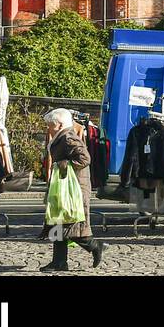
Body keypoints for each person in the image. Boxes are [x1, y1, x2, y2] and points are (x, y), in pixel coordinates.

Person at [39, 109, 105, 272]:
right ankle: (59, 262)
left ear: (60, 124)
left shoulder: (68, 137)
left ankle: (96, 246)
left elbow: (85, 158)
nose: (48, 128)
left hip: (74, 189)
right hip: (64, 187)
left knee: (73, 227)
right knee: (58, 224)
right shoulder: (61, 136)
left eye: (50, 125)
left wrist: (64, 165)